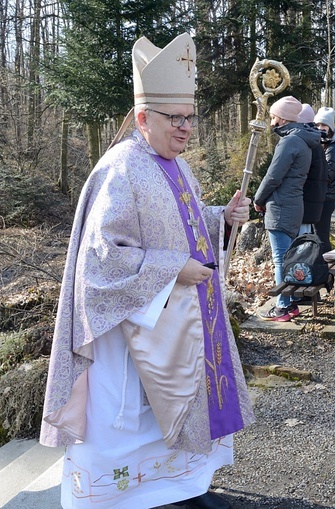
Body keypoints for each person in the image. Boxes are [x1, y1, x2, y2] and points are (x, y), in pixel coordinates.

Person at [40, 33, 255, 509]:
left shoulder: (176, 165)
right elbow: (101, 259)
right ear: (143, 118)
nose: (186, 129)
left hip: (180, 327)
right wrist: (173, 268)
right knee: (131, 421)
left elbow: (184, 222)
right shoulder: (121, 168)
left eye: (189, 118)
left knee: (177, 421)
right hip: (133, 334)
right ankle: (122, 499)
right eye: (174, 119)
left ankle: (182, 489)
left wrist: (221, 216)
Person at [254, 95, 318, 322]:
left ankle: (282, 306)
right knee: (288, 258)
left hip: (281, 206)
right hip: (293, 204)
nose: (271, 122)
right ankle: (290, 304)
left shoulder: (290, 142)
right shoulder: (304, 140)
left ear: (282, 119)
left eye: (273, 117)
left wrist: (258, 198)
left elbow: (273, 176)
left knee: (281, 259)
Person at [313, 106, 335, 252]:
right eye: (317, 125)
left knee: (321, 235)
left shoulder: (333, 148)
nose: (320, 128)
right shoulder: (319, 145)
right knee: (316, 235)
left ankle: (326, 268)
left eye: (324, 125)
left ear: (330, 128)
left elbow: (328, 175)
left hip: (327, 198)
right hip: (319, 197)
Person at [298, 104, 327, 236]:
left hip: (306, 202)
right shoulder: (315, 141)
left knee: (301, 245)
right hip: (312, 202)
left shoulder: (307, 142)